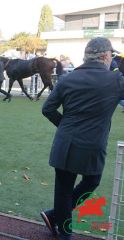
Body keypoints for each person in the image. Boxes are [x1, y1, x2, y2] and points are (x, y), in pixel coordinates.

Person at [41, 37, 124, 240]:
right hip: (94, 144)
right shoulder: (116, 81)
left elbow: (47, 109)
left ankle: (61, 226)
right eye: (110, 55)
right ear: (105, 56)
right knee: (91, 182)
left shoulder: (67, 79)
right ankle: (58, 220)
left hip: (65, 143)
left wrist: (65, 127)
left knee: (63, 189)